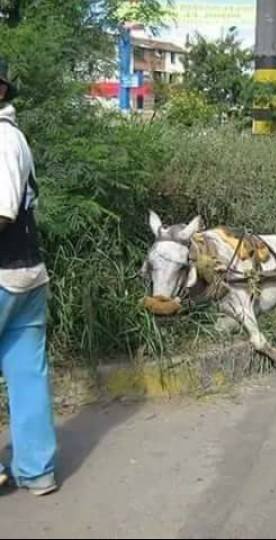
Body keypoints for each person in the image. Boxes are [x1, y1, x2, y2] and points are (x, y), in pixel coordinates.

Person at [0, 57, 57, 496]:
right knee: (26, 374)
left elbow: (1, 210)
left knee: (27, 373)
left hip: (3, 274)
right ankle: (37, 472)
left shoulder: (1, 139)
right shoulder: (13, 136)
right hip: (28, 276)